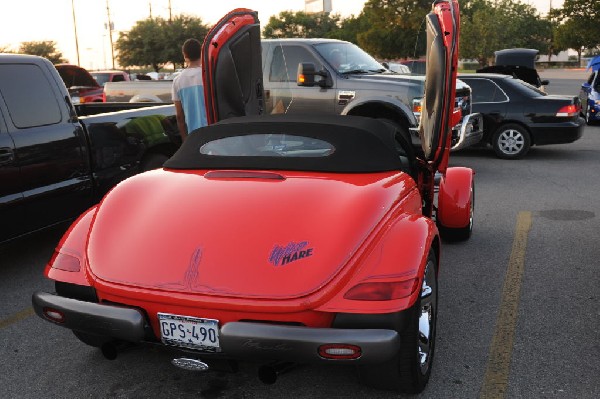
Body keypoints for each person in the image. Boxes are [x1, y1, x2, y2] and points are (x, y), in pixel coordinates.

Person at [172, 38, 207, 142]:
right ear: (201, 53)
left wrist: (185, 140)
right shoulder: (208, 76)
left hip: (193, 137)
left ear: (184, 55)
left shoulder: (177, 81)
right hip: (212, 134)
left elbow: (179, 116)